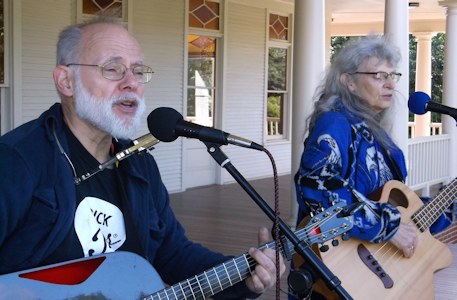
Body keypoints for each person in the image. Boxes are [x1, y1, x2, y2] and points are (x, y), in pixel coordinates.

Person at [0, 17, 285, 298]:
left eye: (138, 71)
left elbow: (172, 253)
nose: (131, 83)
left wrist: (246, 277)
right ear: (66, 81)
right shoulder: (16, 161)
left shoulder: (139, 165)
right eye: (112, 69)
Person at [290, 35, 452, 299]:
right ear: (348, 81)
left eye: (392, 75)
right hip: (336, 268)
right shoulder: (335, 124)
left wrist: (439, 212)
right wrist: (387, 227)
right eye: (378, 75)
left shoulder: (376, 133)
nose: (390, 84)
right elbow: (318, 192)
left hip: (375, 271)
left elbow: (393, 202)